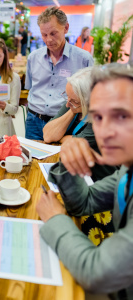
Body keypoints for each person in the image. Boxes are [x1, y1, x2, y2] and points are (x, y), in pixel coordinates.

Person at [36, 63, 133, 299]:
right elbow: (85, 202)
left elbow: (96, 273)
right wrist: (68, 164)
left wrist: (56, 219)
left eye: (121, 115)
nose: (104, 131)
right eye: (98, 117)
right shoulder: (125, 172)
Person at [25, 6, 94, 140]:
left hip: (65, 122)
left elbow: (90, 96)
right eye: (44, 35)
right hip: (33, 121)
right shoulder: (33, 58)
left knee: (58, 160)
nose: (48, 40)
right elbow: (29, 88)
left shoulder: (84, 59)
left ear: (66, 28)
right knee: (31, 160)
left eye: (53, 33)